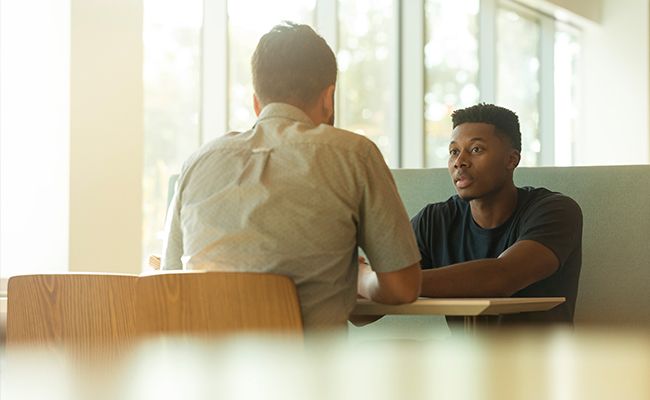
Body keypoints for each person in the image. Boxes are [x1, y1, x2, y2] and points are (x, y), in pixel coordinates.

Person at [161, 22, 421, 330]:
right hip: (307, 373)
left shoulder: (197, 163)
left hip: (205, 373)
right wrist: (361, 277)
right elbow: (402, 288)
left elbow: (169, 284)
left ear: (257, 102)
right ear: (329, 97)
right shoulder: (354, 154)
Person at [410, 103, 582, 324]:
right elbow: (363, 315)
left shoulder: (556, 211)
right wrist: (366, 281)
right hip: (465, 356)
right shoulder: (434, 221)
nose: (459, 162)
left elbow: (501, 278)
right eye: (454, 151)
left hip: (540, 357)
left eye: (476, 150)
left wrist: (391, 283)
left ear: (512, 159)